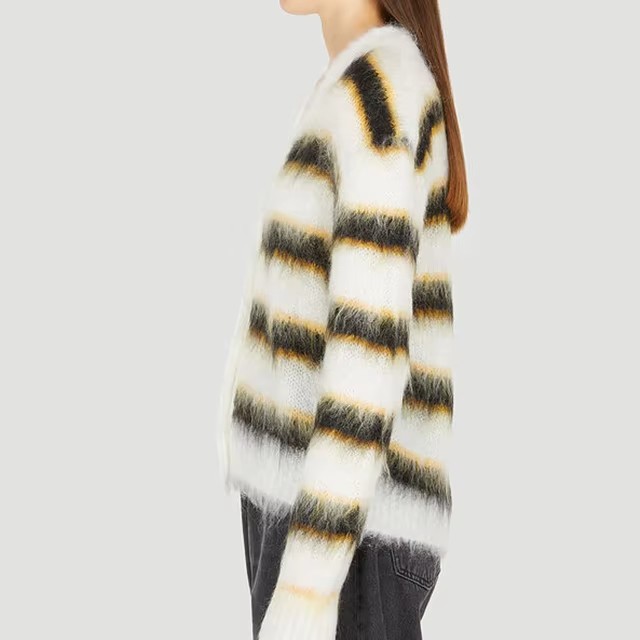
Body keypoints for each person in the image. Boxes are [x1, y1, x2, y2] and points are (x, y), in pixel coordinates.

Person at [216, 1, 468, 638]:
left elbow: (368, 363)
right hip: (314, 517)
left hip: (344, 537)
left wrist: (307, 588)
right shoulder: (354, 89)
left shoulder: (382, 97)